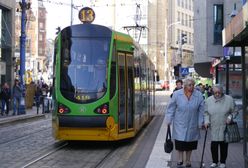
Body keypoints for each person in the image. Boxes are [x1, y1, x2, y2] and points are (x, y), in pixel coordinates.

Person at [165, 77, 205, 168]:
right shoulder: (176, 94)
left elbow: (202, 110)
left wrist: (200, 122)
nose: (192, 87)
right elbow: (171, 108)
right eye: (189, 85)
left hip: (193, 122)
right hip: (180, 122)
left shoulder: (198, 95)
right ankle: (180, 159)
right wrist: (169, 119)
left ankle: (188, 160)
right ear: (185, 86)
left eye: (193, 85)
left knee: (190, 143)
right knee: (180, 142)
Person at [204, 84, 235, 168]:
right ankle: (214, 161)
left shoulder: (229, 99)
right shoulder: (208, 100)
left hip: (224, 126)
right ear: (212, 92)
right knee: (213, 145)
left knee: (223, 145)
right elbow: (206, 113)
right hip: (214, 125)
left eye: (219, 92)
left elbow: (234, 111)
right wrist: (206, 121)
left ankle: (222, 162)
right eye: (215, 93)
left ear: (222, 91)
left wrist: (230, 117)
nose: (217, 94)